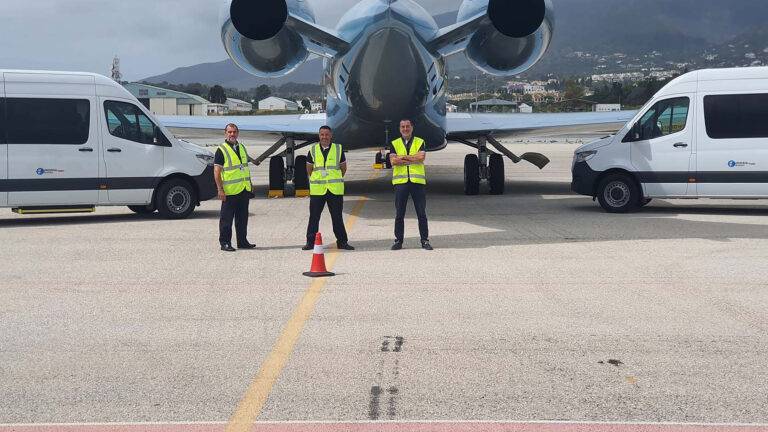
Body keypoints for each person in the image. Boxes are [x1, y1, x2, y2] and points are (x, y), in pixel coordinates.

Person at [302, 125, 354, 251]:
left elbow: (343, 168)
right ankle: (310, 241)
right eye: (322, 135)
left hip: (334, 189)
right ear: (319, 136)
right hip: (318, 190)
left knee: (337, 217)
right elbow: (309, 169)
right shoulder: (313, 150)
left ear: (331, 135)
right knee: (314, 217)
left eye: (326, 134)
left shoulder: (338, 149)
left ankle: (342, 241)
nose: (324, 137)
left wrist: (333, 179)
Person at [389, 119, 432, 250]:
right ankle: (398, 241)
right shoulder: (394, 143)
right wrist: (412, 158)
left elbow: (421, 158)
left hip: (417, 182)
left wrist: (403, 158)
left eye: (408, 126)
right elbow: (393, 161)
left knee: (421, 213)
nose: (405, 129)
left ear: (412, 128)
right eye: (403, 127)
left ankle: (424, 240)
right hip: (401, 183)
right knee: (399, 214)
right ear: (400, 129)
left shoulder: (420, 141)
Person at [214, 123, 255, 252]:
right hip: (230, 191)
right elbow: (217, 171)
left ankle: (242, 241)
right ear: (225, 133)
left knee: (242, 218)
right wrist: (220, 189)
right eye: (230, 132)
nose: (232, 134)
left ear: (238, 133)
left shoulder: (242, 147)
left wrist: (250, 183)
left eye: (234, 132)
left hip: (243, 189)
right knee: (226, 219)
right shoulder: (221, 150)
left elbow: (244, 169)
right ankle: (225, 242)